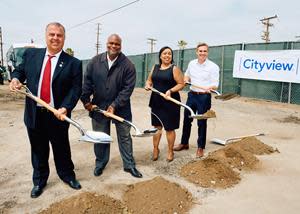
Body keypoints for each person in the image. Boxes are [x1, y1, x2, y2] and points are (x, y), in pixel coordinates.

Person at [9, 22, 82, 198]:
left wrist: (65, 107)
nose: (55, 38)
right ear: (46, 35)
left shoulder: (73, 63)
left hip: (58, 115)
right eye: (52, 34)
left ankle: (67, 175)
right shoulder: (31, 55)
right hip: (35, 114)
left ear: (64, 38)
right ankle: (40, 181)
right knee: (38, 149)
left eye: (59, 35)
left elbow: (75, 89)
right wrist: (16, 79)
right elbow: (19, 71)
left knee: (61, 148)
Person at [80, 34, 142, 178]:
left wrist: (114, 105)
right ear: (106, 44)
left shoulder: (128, 65)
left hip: (121, 109)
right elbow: (87, 83)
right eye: (111, 43)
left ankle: (129, 165)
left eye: (117, 44)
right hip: (99, 107)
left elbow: (127, 90)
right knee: (101, 137)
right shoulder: (95, 62)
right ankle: (100, 163)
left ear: (121, 46)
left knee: (125, 137)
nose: (113, 46)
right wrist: (86, 102)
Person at [174, 43, 219, 158]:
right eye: (200, 51)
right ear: (196, 52)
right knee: (187, 120)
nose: (202, 53)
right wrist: (186, 79)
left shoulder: (213, 67)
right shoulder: (192, 63)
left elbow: (215, 85)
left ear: (207, 52)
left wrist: (211, 88)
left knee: (201, 122)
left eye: (204, 51)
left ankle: (200, 147)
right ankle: (184, 143)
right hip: (192, 95)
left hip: (204, 97)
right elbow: (187, 75)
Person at [145, 46, 184, 162]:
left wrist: (170, 91)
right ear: (160, 56)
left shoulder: (174, 69)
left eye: (169, 54)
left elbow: (181, 84)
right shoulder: (155, 68)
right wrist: (148, 85)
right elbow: (149, 80)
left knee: (169, 128)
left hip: (170, 102)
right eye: (165, 53)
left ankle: (170, 151)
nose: (167, 56)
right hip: (156, 101)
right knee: (157, 127)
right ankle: (156, 149)